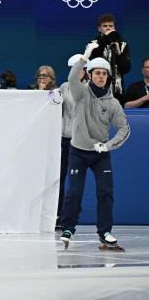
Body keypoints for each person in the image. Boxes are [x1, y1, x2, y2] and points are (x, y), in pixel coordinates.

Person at [59, 41, 130, 250]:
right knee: (74, 192)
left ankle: (105, 231)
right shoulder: (80, 93)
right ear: (89, 75)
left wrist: (108, 146)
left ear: (108, 77)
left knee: (105, 192)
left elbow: (124, 129)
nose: (101, 76)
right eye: (96, 73)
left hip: (100, 154)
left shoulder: (113, 103)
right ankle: (68, 227)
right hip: (78, 151)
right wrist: (84, 56)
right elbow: (72, 77)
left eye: (104, 74)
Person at [56, 54, 87, 228]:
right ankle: (58, 214)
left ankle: (71, 216)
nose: (77, 72)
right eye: (73, 69)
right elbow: (56, 108)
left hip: (80, 142)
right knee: (59, 178)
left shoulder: (89, 89)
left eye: (81, 69)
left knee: (75, 180)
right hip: (63, 139)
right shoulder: (63, 87)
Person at [90, 14, 130, 105]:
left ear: (114, 27)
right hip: (98, 88)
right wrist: (105, 40)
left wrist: (119, 51)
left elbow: (126, 69)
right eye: (105, 26)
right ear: (99, 29)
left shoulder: (123, 44)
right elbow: (94, 60)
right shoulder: (93, 44)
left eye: (110, 26)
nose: (108, 28)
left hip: (117, 89)